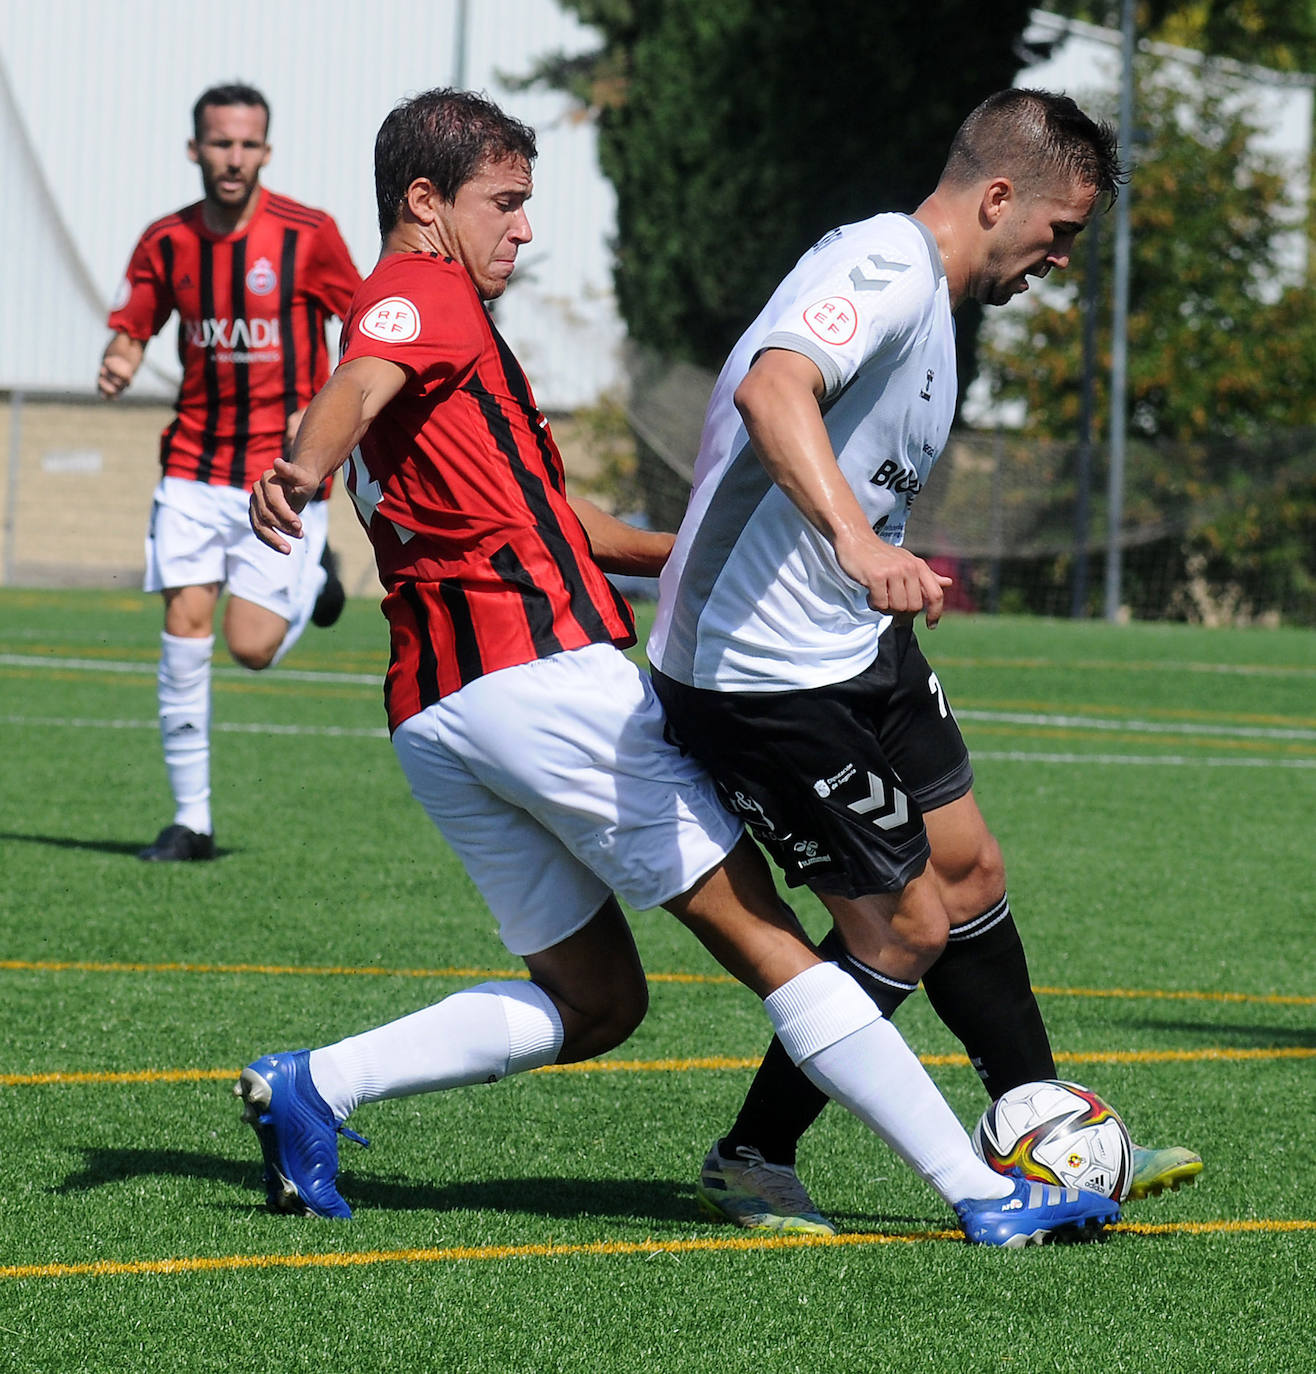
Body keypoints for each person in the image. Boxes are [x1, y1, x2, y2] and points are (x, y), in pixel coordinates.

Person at [237, 86, 1118, 1246]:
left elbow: (555, 520)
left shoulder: (452, 346)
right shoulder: (417, 295)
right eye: (503, 203)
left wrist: (710, 550)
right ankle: (981, 1190)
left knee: (598, 1000)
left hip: (435, 714)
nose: (523, 227)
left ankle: (314, 1086)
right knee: (790, 948)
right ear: (423, 203)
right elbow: (357, 385)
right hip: (547, 685)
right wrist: (298, 468)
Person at [647, 88, 1202, 1236]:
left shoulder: (937, 308)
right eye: (1057, 233)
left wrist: (876, 561)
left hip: (854, 645)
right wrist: (856, 540)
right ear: (996, 197)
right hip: (759, 675)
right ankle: (751, 1156)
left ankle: (1047, 1130)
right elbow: (771, 387)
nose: (1056, 260)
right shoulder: (883, 266)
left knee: (971, 872)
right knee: (900, 928)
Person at [98, 82, 361, 861]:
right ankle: (192, 821)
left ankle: (315, 583)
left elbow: (363, 323)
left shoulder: (308, 235)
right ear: (195, 149)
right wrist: (119, 356)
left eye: (248, 144)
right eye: (220, 143)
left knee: (249, 646)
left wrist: (324, 410)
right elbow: (132, 322)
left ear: (266, 152)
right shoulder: (165, 241)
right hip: (189, 464)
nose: (234, 158)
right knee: (183, 628)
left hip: (279, 476)